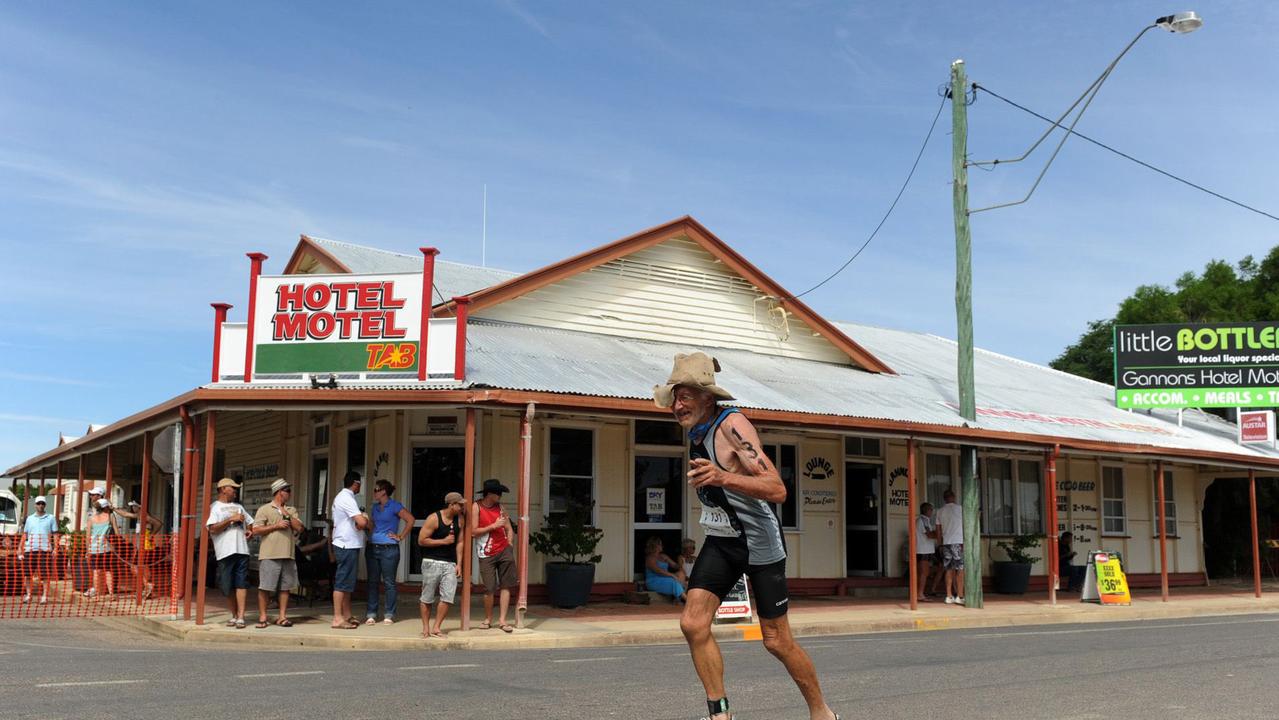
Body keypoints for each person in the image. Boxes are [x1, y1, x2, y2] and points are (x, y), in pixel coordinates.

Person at [654, 351, 839, 720]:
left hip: (759, 544)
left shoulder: (732, 426)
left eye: (685, 396)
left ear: (708, 398)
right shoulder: (696, 431)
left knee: (776, 641)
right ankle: (720, 713)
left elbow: (777, 489)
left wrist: (722, 477)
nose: (677, 405)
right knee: (692, 623)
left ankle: (821, 711)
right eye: (674, 397)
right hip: (722, 540)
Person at [253, 478, 304, 628]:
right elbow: (256, 530)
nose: (289, 493)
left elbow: (299, 528)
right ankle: (263, 616)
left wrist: (285, 513)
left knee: (285, 587)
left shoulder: (291, 510)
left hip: (288, 554)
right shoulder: (265, 509)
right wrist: (275, 525)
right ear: (279, 492)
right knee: (265, 587)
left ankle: (282, 616)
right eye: (287, 491)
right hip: (269, 554)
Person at [365, 479, 415, 625]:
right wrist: (364, 523)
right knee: (373, 582)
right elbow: (373, 525)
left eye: (376, 490)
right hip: (372, 547)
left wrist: (400, 536)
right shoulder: (375, 507)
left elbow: (410, 520)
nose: (374, 492)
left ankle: (389, 613)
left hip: (389, 548)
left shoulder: (394, 506)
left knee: (389, 582)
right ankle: (371, 613)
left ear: (383, 492)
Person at [471, 478, 517, 633]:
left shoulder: (501, 508)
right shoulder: (476, 507)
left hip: (504, 549)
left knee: (506, 585)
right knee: (489, 587)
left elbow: (509, 528)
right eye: (498, 493)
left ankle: (503, 620)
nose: (500, 496)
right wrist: (492, 526)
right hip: (486, 552)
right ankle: (488, 618)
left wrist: (509, 543)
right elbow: (473, 531)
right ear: (489, 494)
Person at [206, 477, 253, 628]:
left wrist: (250, 532)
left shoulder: (239, 507)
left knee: (241, 583)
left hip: (242, 549)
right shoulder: (215, 507)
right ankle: (233, 614)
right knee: (227, 585)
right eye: (232, 488)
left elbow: (250, 522)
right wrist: (230, 519)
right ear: (223, 489)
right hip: (225, 551)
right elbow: (212, 529)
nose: (235, 491)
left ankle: (241, 616)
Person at [418, 491, 465, 638]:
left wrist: (459, 563)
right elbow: (421, 540)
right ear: (452, 505)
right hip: (431, 561)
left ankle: (436, 627)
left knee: (448, 596)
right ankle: (426, 628)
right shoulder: (434, 518)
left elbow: (460, 542)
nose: (463, 507)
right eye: (460, 505)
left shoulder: (460, 519)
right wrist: (443, 541)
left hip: (450, 563)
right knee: (427, 596)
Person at [330, 470, 368, 629]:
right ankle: (337, 618)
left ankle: (346, 614)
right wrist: (364, 517)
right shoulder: (346, 498)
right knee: (342, 581)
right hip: (346, 544)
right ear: (356, 483)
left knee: (347, 583)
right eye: (359, 484)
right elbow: (362, 522)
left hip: (349, 543)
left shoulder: (345, 497)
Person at [113, 501, 163, 600]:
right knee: (145, 567)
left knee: (133, 567)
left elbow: (159, 523)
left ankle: (148, 584)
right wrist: (113, 508)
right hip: (143, 545)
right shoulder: (140, 515)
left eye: (133, 506)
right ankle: (148, 588)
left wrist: (152, 535)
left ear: (139, 506)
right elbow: (125, 514)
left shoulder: (143, 516)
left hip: (143, 545)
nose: (132, 508)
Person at [19, 496, 57, 604]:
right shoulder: (30, 519)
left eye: (42, 503)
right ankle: (29, 595)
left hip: (45, 550)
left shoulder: (51, 518)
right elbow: (25, 534)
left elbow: (55, 534)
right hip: (30, 550)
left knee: (45, 575)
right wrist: (19, 548)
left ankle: (44, 596)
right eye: (39, 503)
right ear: (35, 505)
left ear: (45, 505)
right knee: (27, 574)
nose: (40, 505)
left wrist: (56, 548)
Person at [934, 489, 965, 605]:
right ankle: (960, 596)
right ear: (954, 497)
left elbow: (938, 529)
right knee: (960, 569)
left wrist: (940, 543)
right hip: (958, 541)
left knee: (948, 569)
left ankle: (949, 595)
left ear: (944, 498)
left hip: (946, 542)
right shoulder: (961, 509)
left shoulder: (940, 511)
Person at [86, 498, 120, 599]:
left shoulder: (91, 519)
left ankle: (97, 595)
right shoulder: (110, 516)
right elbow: (117, 533)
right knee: (108, 571)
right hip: (107, 548)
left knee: (96, 572)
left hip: (94, 549)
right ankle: (111, 594)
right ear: (105, 507)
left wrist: (87, 550)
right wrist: (116, 544)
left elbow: (88, 536)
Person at [644, 536, 687, 603]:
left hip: (666, 578)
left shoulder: (663, 556)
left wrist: (681, 561)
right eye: (660, 544)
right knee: (674, 582)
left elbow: (675, 566)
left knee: (680, 573)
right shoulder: (650, 558)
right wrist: (672, 575)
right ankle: (687, 600)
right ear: (655, 546)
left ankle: (677, 598)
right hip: (654, 581)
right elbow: (658, 571)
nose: (662, 546)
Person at [915, 502, 937, 603]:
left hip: (924, 549)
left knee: (923, 572)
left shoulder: (924, 520)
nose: (932, 512)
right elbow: (929, 534)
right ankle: (920, 594)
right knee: (924, 573)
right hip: (923, 550)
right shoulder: (922, 520)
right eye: (931, 510)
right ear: (927, 510)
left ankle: (919, 593)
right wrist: (941, 533)